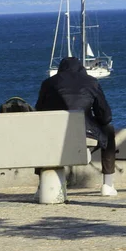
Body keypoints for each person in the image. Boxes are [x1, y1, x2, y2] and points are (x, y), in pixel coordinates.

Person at [35, 57, 118, 196]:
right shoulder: (92, 82)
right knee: (109, 130)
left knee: (42, 134)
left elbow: (39, 111)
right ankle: (107, 185)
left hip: (55, 134)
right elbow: (105, 116)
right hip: (86, 132)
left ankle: (41, 187)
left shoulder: (48, 83)